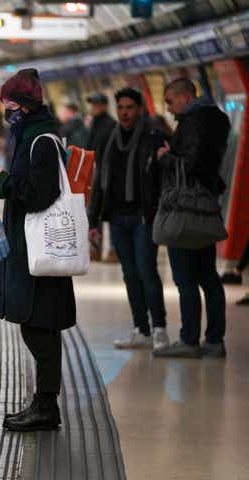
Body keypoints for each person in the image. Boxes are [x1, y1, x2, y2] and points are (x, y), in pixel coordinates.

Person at [0, 68, 76, 432]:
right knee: (36, 324)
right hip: (28, 244)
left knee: (39, 326)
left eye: (10, 103)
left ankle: (47, 406)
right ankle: (43, 403)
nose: (6, 110)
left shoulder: (42, 139)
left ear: (25, 103)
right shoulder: (30, 134)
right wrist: (2, 178)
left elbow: (40, 193)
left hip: (38, 247)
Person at [153, 78, 231, 359]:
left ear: (185, 97)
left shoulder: (192, 123)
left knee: (185, 278)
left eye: (171, 101)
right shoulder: (218, 121)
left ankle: (189, 340)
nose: (168, 108)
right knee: (208, 277)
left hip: (184, 210)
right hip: (205, 207)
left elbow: (190, 163)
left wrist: (165, 157)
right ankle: (214, 340)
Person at [88, 87, 169, 351]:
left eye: (130, 108)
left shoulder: (152, 136)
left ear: (140, 109)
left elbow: (163, 175)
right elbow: (100, 181)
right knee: (129, 274)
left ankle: (159, 329)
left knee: (146, 271)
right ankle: (141, 329)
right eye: (121, 108)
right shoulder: (109, 138)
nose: (124, 112)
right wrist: (93, 221)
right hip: (117, 217)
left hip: (143, 217)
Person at [86, 92, 118, 263]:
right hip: (95, 170)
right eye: (92, 105)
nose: (93, 108)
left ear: (104, 106)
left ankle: (113, 250)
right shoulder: (94, 124)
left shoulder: (111, 125)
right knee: (94, 211)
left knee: (109, 210)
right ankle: (95, 248)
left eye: (96, 105)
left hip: (108, 172)